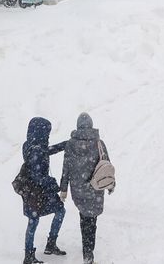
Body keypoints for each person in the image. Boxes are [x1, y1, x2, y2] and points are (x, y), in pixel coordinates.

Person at [60, 113, 114, 264]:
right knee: (92, 220)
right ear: (90, 125)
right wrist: (111, 184)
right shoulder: (99, 143)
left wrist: (63, 189)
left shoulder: (70, 144)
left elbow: (66, 169)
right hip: (95, 188)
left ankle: (87, 250)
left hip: (78, 190)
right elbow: (106, 165)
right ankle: (88, 254)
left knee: (84, 218)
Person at [21, 117, 68, 264]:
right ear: (41, 131)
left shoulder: (31, 145)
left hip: (35, 191)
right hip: (37, 192)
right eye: (47, 131)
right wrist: (53, 184)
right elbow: (37, 176)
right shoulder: (36, 149)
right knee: (34, 220)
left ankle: (47, 246)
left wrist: (64, 145)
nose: (48, 134)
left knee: (56, 212)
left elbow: (46, 151)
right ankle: (29, 255)